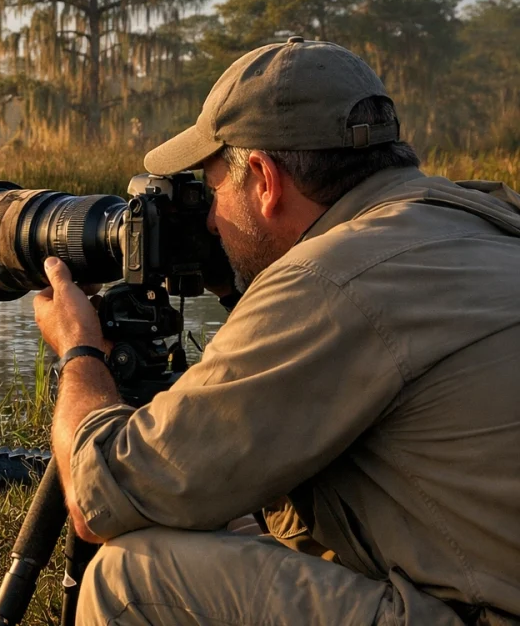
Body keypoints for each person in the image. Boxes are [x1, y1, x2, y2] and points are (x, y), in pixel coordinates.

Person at [33, 37, 520, 625]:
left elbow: (100, 497)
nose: (210, 221)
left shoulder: (331, 276)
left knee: (131, 576)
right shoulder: (486, 215)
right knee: (224, 519)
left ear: (264, 179)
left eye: (214, 189)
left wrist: (80, 349)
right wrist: (239, 292)